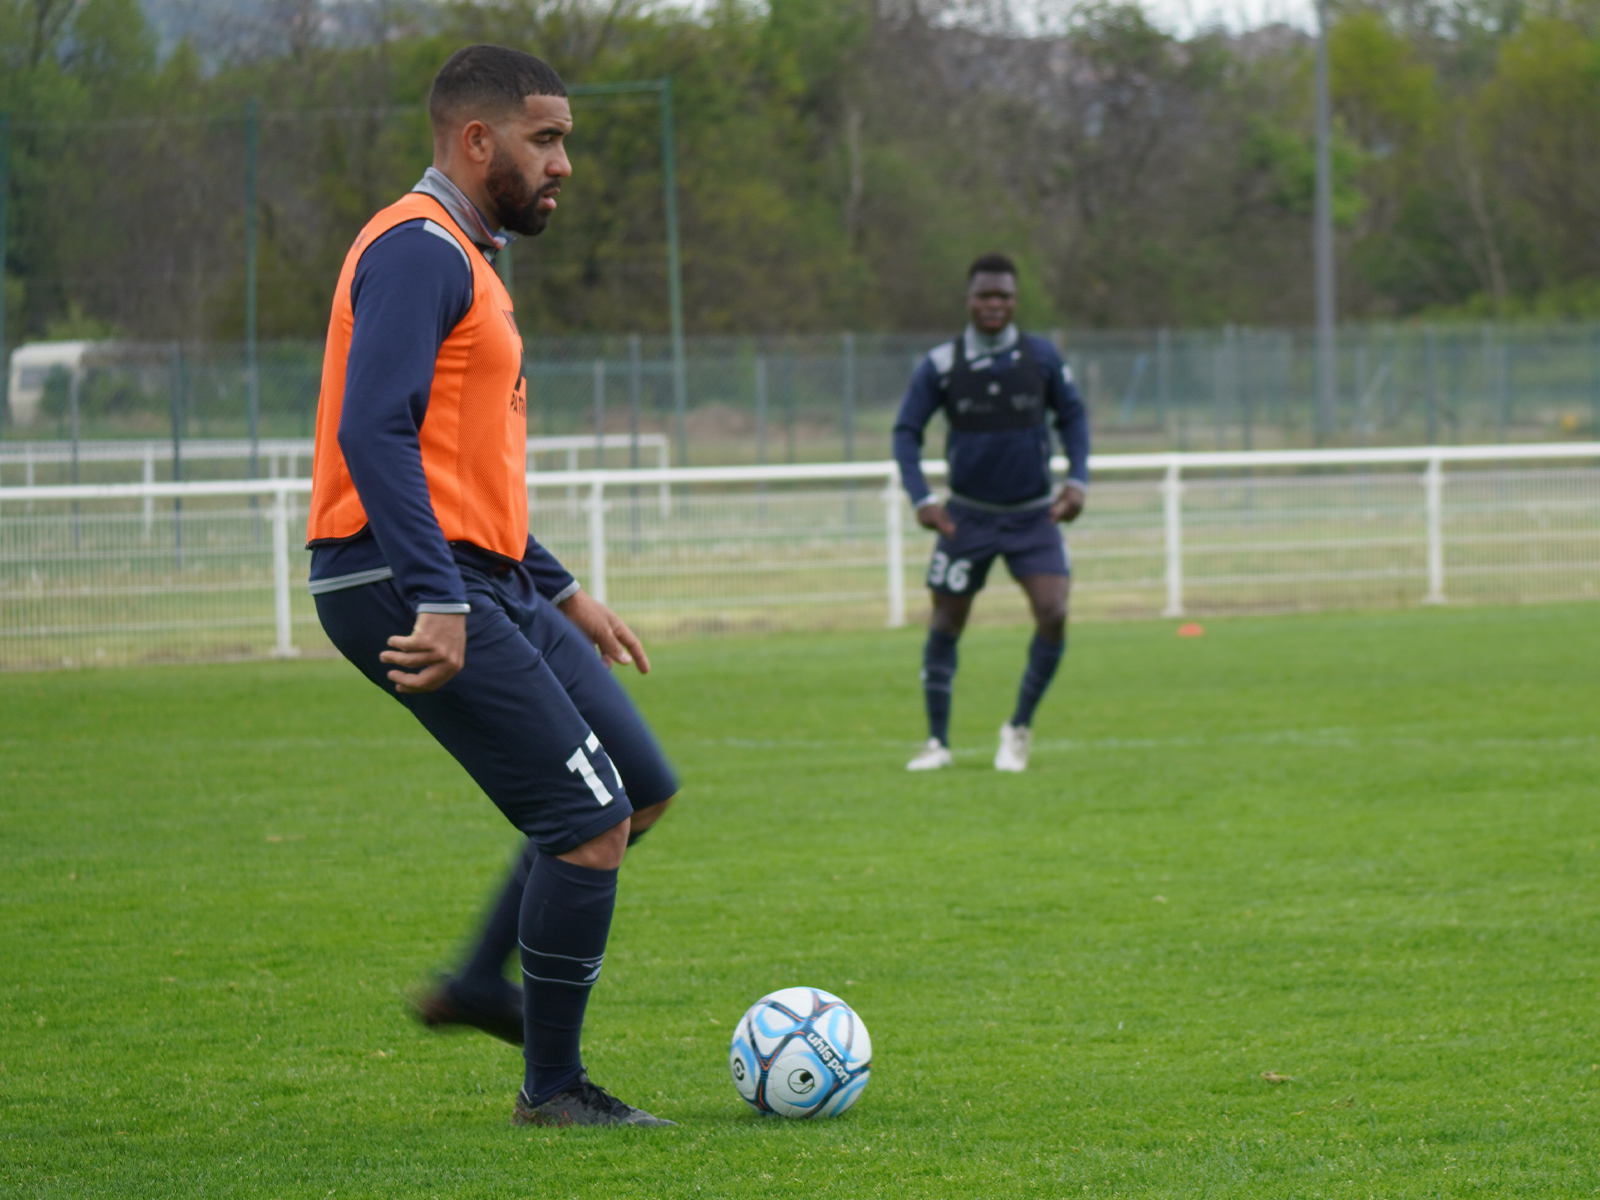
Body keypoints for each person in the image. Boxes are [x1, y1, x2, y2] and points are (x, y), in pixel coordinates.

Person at [306, 44, 673, 1128]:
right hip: (399, 575)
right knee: (586, 822)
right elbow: (373, 430)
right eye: (545, 139)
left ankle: (476, 984)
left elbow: (462, 465)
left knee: (638, 787)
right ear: (477, 140)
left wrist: (561, 590)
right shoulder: (418, 250)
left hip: (487, 574)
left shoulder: (471, 257)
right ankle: (552, 1091)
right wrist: (439, 597)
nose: (563, 163)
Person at [892, 253, 1090, 773]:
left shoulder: (1042, 358)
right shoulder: (941, 363)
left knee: (1054, 612)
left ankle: (1017, 728)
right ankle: (937, 743)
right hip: (967, 520)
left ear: (1015, 300)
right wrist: (922, 499)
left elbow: (1074, 417)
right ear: (969, 300)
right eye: (985, 295)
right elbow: (906, 432)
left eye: (1003, 295)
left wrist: (1077, 481)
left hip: (1033, 518)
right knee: (947, 620)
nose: (994, 304)